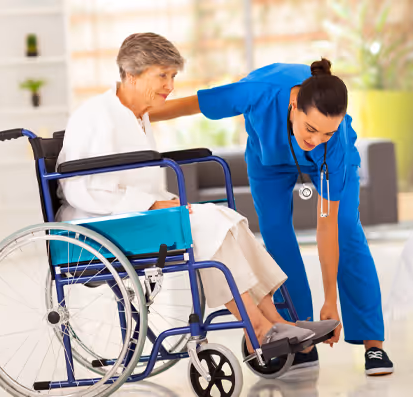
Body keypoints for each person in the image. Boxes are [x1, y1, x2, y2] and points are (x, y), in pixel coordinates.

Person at [53, 33, 336, 352]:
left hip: (135, 219)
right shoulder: (95, 115)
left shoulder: (138, 116)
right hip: (100, 225)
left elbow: (139, 180)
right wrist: (152, 203)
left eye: (172, 76)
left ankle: (278, 322)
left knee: (228, 219)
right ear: (131, 75)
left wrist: (161, 202)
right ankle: (257, 326)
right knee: (206, 225)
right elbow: (80, 187)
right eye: (162, 75)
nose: (170, 86)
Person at [149, 58, 394, 376]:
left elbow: (326, 226)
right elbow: (193, 104)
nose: (316, 138)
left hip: (326, 166)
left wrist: (330, 301)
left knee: (346, 230)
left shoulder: (335, 144)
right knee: (277, 235)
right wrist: (136, 116)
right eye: (310, 128)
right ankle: (298, 334)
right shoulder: (258, 91)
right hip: (270, 160)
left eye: (326, 132)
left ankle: (373, 345)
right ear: (295, 106)